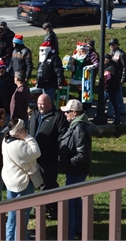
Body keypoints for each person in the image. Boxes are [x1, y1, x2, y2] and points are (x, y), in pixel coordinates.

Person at [28, 94, 68, 218]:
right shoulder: (35, 114)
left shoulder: (58, 117)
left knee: (49, 184)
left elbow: (62, 136)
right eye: (39, 104)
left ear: (50, 104)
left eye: (43, 104)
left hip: (49, 158)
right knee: (39, 183)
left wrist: (57, 151)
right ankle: (45, 206)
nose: (40, 106)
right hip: (35, 157)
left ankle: (52, 209)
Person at [2, 118, 43, 241]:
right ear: (19, 130)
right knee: (22, 217)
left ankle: (9, 238)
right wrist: (28, 137)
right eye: (24, 128)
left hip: (10, 181)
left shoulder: (5, 140)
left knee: (12, 215)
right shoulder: (19, 145)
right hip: (23, 183)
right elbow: (37, 152)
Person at [59, 99, 92, 240]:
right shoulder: (78, 124)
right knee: (76, 200)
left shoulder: (79, 128)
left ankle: (69, 234)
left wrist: (66, 163)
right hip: (77, 170)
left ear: (74, 112)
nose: (65, 114)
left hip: (76, 170)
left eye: (67, 112)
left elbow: (82, 154)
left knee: (69, 201)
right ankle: (80, 228)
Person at [108, 39, 126, 116]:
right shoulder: (111, 53)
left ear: (117, 45)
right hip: (112, 77)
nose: (111, 46)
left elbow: (125, 67)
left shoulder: (121, 54)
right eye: (110, 45)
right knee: (118, 94)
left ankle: (112, 112)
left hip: (118, 77)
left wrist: (123, 78)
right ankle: (121, 110)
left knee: (114, 94)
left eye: (113, 44)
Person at [103, 54, 123, 125]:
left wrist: (107, 82)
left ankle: (117, 120)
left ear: (107, 60)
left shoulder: (113, 67)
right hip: (107, 88)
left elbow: (114, 79)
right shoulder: (108, 65)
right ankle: (101, 117)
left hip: (112, 88)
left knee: (114, 104)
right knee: (102, 102)